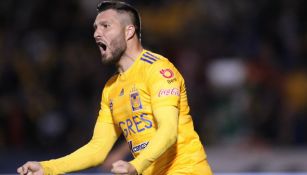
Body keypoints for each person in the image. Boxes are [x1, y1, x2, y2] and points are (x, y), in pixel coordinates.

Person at [17, 1, 213, 175]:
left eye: (105, 26)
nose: (96, 34)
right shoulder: (111, 88)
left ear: (129, 32)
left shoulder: (159, 70)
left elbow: (168, 131)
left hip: (186, 169)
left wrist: (136, 166)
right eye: (95, 28)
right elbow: (97, 149)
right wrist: (47, 168)